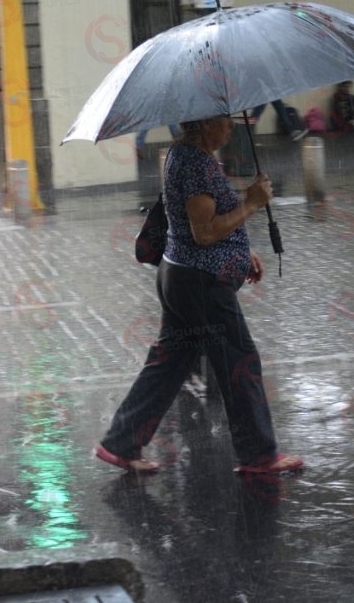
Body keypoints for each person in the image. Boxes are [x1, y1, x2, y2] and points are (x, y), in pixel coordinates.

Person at [94, 114, 303, 476]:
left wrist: (241, 250)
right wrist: (253, 203)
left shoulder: (186, 155)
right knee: (240, 361)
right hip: (201, 285)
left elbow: (203, 221)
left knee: (169, 364)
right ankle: (258, 455)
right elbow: (203, 232)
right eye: (226, 121)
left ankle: (120, 442)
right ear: (204, 123)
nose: (232, 127)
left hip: (182, 277)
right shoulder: (195, 163)